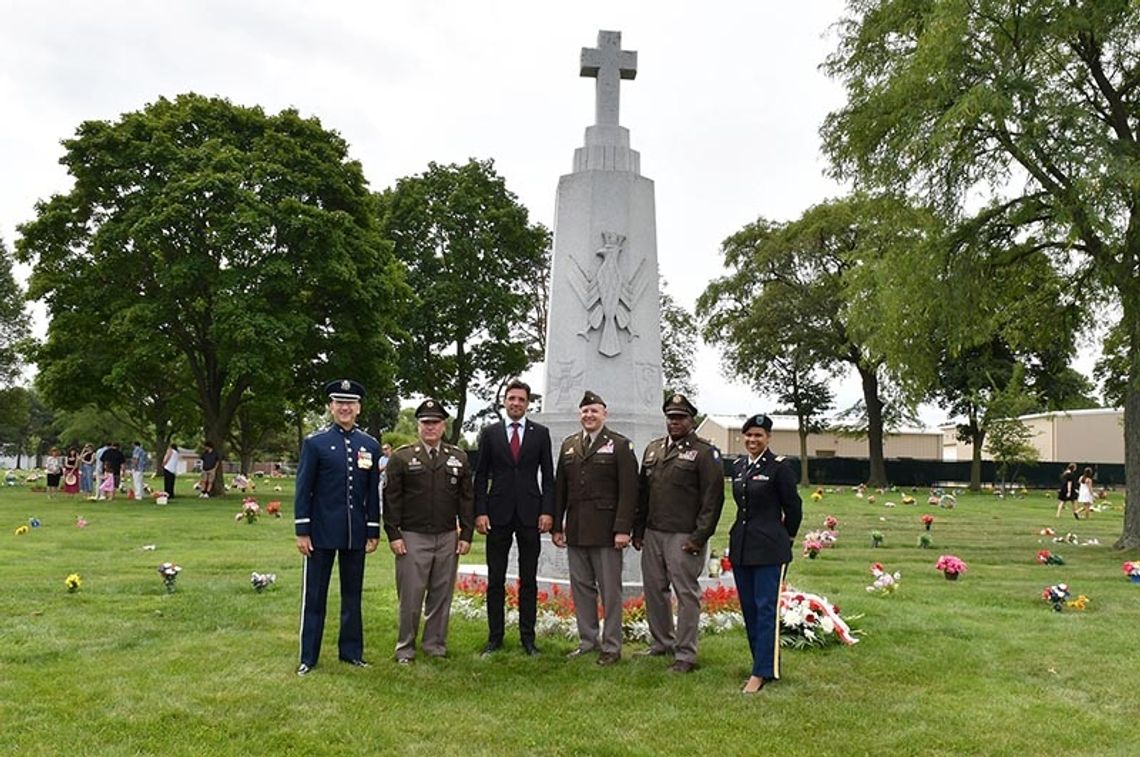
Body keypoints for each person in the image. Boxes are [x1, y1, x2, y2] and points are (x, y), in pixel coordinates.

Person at [294, 379, 382, 676]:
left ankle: (351, 652)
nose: (345, 408)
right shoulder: (315, 442)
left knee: (352, 596)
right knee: (315, 597)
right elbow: (303, 488)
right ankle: (309, 657)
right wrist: (302, 530)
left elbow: (371, 492)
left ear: (358, 408)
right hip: (319, 534)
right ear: (331, 407)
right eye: (339, 402)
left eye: (351, 403)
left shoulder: (369, 445)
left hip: (354, 533)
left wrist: (372, 529)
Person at [633, 393, 724, 673]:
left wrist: (699, 537)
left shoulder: (705, 452)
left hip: (683, 536)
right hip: (653, 533)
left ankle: (686, 654)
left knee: (686, 594)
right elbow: (642, 495)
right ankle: (662, 643)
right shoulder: (653, 449)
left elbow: (713, 500)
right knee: (654, 590)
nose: (674, 422)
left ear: (691, 420)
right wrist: (638, 531)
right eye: (670, 417)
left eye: (680, 417)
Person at [383, 399, 474, 663]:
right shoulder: (401, 457)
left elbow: (467, 498)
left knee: (441, 594)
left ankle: (435, 645)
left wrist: (466, 534)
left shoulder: (458, 457)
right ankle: (405, 648)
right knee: (411, 596)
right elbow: (391, 498)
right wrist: (394, 534)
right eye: (425, 423)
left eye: (435, 423)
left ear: (444, 426)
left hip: (447, 535)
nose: (430, 428)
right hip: (412, 536)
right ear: (418, 426)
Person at [552, 390, 638, 666]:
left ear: (604, 414)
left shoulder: (620, 445)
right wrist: (557, 525)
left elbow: (629, 491)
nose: (589, 415)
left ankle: (611, 646)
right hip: (576, 530)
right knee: (581, 588)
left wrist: (623, 529)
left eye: (594, 411)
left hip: (607, 531)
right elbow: (560, 490)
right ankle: (589, 640)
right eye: (585, 411)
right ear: (580, 415)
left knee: (610, 590)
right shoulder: (569, 445)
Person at [473, 379, 555, 657]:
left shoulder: (541, 434)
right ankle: (495, 637)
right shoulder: (490, 433)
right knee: (496, 578)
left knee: (528, 579)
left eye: (521, 399)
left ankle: (528, 639)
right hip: (497, 514)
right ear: (504, 401)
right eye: (512, 398)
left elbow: (549, 476)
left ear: (528, 403)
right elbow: (481, 475)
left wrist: (547, 511)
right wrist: (480, 511)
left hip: (531, 514)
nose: (516, 403)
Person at [730, 413, 802, 694]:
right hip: (743, 548)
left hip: (770, 549)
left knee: (765, 609)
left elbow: (793, 507)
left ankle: (761, 672)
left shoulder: (779, 467)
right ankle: (760, 663)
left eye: (758, 435)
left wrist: (788, 536)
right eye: (748, 435)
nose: (752, 440)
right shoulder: (738, 466)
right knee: (749, 609)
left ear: (768, 438)